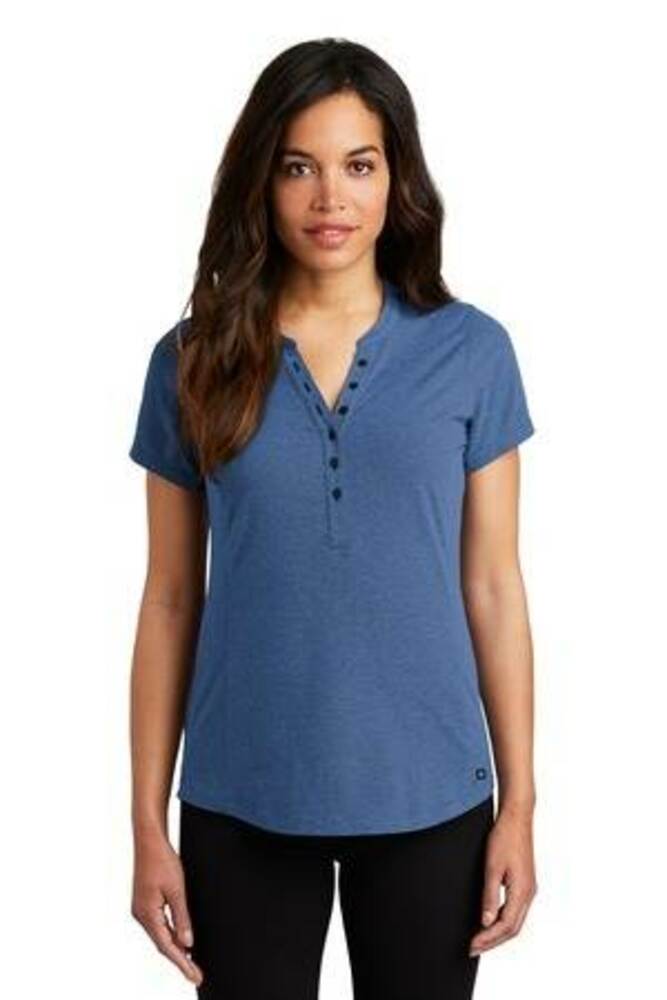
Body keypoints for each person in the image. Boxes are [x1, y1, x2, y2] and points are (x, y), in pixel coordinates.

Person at [128, 37, 538, 1000]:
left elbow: (493, 586)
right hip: (242, 798)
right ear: (261, 181)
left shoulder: (472, 352)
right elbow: (171, 599)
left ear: (397, 179)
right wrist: (146, 824)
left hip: (432, 795)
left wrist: (519, 806)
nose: (329, 199)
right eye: (297, 167)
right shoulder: (190, 361)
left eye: (358, 166)